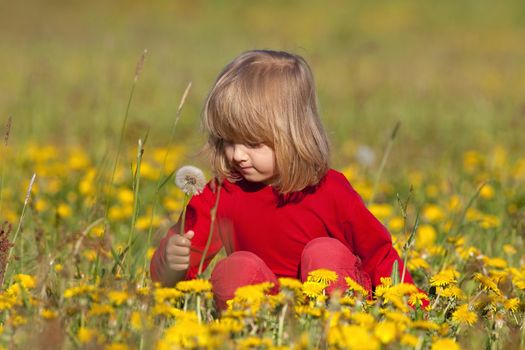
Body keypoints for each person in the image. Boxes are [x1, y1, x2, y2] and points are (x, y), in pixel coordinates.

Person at [150, 49, 422, 309]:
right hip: (265, 310)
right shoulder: (222, 193)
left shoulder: (331, 191)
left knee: (324, 254)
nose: (237, 155)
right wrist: (173, 264)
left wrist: (413, 306)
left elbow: (378, 255)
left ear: (294, 136)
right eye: (228, 140)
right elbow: (170, 278)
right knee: (237, 268)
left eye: (253, 143)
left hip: (336, 305)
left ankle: (334, 325)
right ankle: (250, 333)